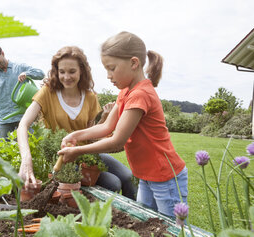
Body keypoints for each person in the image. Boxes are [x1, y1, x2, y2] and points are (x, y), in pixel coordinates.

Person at [58, 32, 188, 218]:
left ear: (134, 63)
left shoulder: (140, 94)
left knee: (172, 232)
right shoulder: (126, 92)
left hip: (165, 177)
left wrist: (77, 151)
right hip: (146, 176)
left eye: (112, 68)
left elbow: (117, 141)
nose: (109, 76)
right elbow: (106, 128)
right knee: (147, 224)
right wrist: (75, 135)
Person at [17, 46, 136, 200]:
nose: (67, 77)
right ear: (56, 71)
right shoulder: (48, 93)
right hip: (62, 158)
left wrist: (105, 120)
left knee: (127, 176)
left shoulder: (90, 97)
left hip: (86, 153)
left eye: (72, 71)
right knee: (113, 183)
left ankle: (131, 220)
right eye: (62, 72)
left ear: (81, 71)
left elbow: (90, 134)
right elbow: (23, 125)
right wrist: (26, 160)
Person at [0, 45, 45, 139]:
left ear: (2, 53)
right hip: (5, 120)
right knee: (4, 150)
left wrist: (27, 73)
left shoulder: (20, 67)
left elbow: (41, 74)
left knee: (29, 148)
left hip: (24, 117)